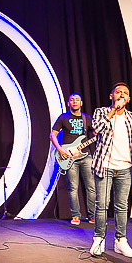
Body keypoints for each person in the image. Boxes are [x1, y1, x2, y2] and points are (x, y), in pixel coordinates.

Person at [90, 83, 132, 258]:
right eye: (118, 92)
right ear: (111, 96)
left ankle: (121, 241)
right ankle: (99, 240)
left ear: (129, 99)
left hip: (125, 168)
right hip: (104, 166)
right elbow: (96, 129)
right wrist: (113, 110)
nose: (121, 94)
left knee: (122, 207)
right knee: (102, 206)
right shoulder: (101, 112)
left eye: (125, 93)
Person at [50, 93, 97, 226]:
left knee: (91, 187)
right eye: (72, 100)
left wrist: (102, 134)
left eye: (77, 100)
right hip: (68, 156)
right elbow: (52, 134)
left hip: (85, 155)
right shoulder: (63, 117)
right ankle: (76, 216)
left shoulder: (87, 118)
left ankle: (92, 216)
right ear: (68, 103)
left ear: (81, 103)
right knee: (73, 188)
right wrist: (60, 149)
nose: (75, 101)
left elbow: (95, 134)